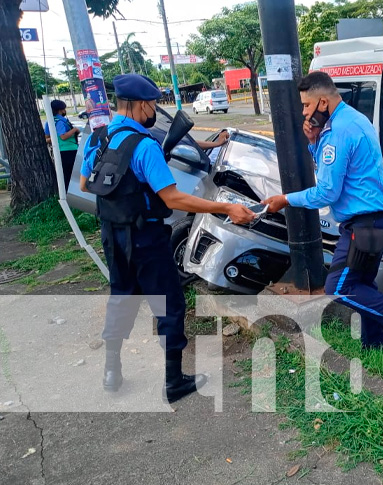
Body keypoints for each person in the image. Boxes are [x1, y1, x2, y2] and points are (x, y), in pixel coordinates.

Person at [80, 74, 255, 402]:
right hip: (146, 238)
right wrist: (226, 207)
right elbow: (173, 199)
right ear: (143, 105)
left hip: (112, 236)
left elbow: (85, 184)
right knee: (168, 305)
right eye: (153, 104)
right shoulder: (144, 146)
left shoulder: (98, 137)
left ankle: (111, 372)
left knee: (121, 299)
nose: (154, 110)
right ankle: (173, 381)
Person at [262, 71, 383, 351]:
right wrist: (314, 142)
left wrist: (285, 199)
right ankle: (374, 346)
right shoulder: (353, 118)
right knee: (362, 284)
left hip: (366, 224)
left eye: (306, 105)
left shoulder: (337, 132)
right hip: (378, 219)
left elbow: (327, 191)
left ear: (322, 103)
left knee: (338, 288)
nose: (303, 112)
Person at [44, 100, 80, 192]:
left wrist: (55, 139)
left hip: (59, 152)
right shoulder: (61, 121)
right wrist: (74, 130)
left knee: (65, 175)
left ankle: (67, 193)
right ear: (61, 110)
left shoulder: (50, 122)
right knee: (73, 175)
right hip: (70, 150)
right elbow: (63, 136)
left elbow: (47, 139)